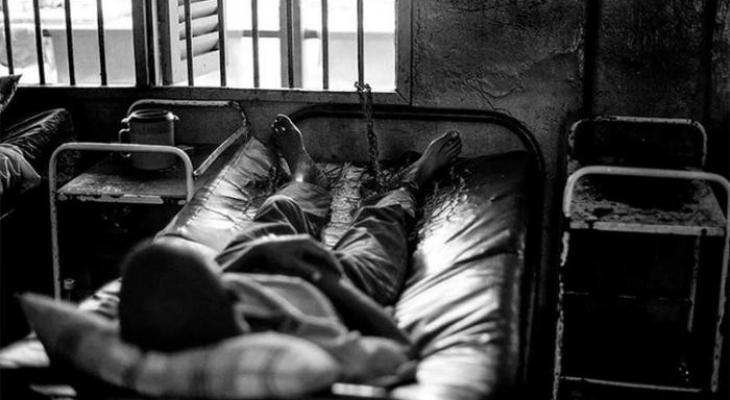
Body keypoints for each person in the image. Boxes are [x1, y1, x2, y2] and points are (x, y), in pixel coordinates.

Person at [118, 115, 462, 354]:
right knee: (378, 228)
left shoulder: (147, 344)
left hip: (248, 271)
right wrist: (316, 275)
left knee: (276, 213)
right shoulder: (281, 352)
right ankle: (411, 181)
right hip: (328, 288)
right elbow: (400, 349)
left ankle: (304, 179)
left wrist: (256, 256)